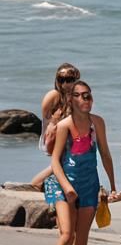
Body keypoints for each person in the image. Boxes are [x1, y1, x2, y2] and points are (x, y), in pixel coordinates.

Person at [47, 81, 116, 245]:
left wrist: (112, 184)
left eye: (88, 96)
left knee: (82, 238)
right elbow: (55, 160)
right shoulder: (64, 126)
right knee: (67, 235)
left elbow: (105, 153)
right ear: (71, 100)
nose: (86, 99)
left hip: (88, 185)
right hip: (63, 185)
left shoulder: (98, 123)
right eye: (81, 96)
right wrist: (66, 186)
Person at [31, 63, 80, 194]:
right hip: (57, 136)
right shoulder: (54, 95)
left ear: (77, 79)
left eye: (69, 79)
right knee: (59, 164)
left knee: (65, 166)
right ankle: (36, 185)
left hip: (69, 137)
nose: (65, 83)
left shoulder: (76, 96)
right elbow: (47, 120)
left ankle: (48, 186)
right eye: (61, 79)